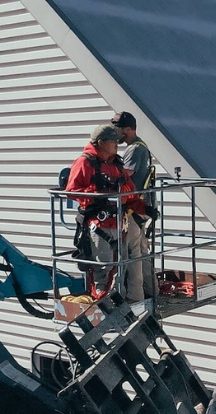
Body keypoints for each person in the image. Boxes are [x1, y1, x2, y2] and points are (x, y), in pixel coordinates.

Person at [65, 124, 154, 302]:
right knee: (103, 271)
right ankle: (103, 309)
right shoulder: (85, 163)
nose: (116, 144)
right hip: (99, 227)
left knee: (120, 270)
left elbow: (129, 195)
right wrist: (98, 196)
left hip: (119, 227)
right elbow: (72, 191)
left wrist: (145, 208)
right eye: (113, 141)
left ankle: (119, 306)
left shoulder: (117, 165)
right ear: (101, 142)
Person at [112, 111, 155, 207]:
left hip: (135, 207)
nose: (115, 133)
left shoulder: (134, 149)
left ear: (128, 129)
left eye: (117, 129)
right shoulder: (138, 145)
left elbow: (126, 173)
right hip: (138, 204)